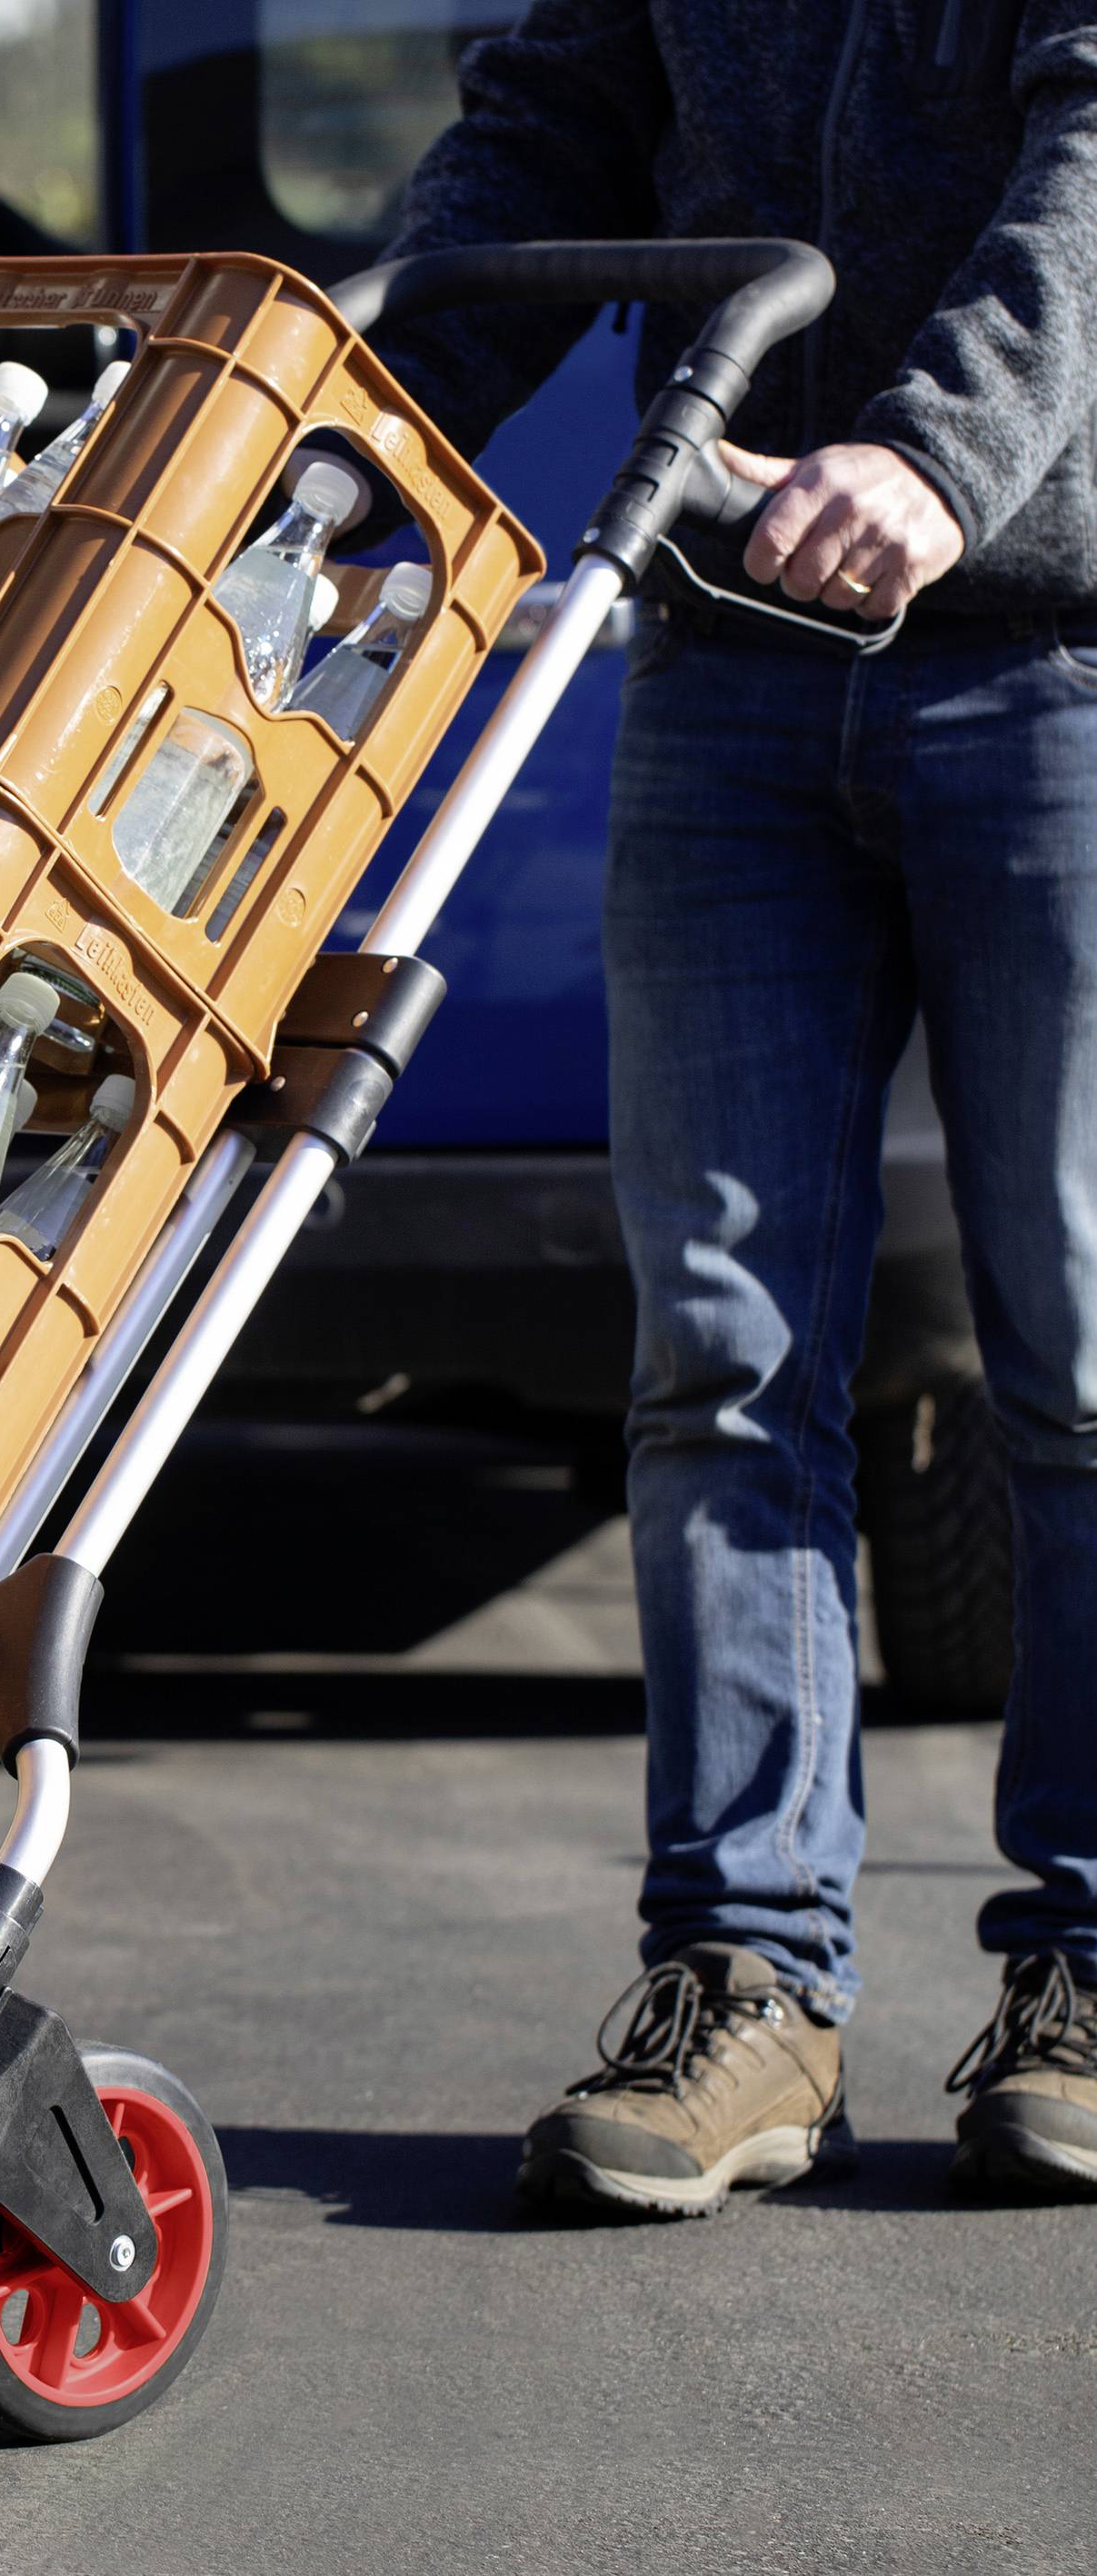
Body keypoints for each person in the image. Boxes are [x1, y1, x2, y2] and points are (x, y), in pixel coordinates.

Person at [364, 2, 1097, 2213]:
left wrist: (935, 453)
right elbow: (548, 134)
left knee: (1070, 1352)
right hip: (726, 666)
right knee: (719, 1355)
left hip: (1049, 656)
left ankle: (1085, 1971)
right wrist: (347, 450)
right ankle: (746, 1992)